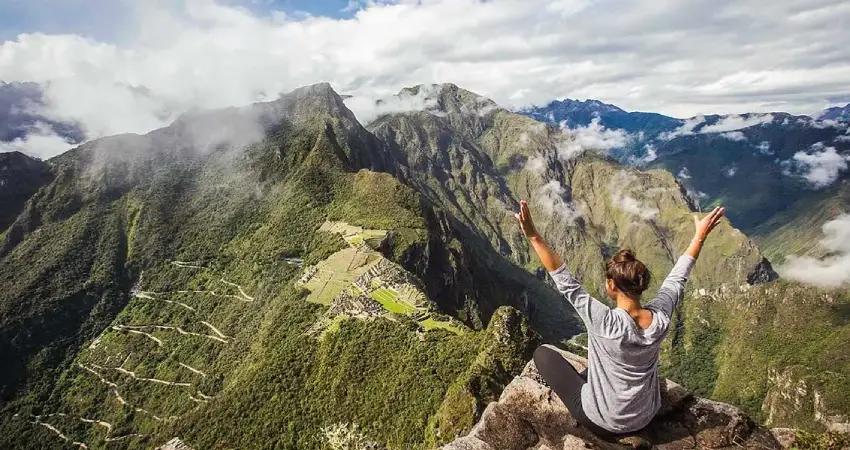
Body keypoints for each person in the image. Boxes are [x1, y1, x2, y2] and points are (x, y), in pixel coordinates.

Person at [514, 200, 725, 437]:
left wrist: (533, 235)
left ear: (611, 285)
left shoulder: (603, 321)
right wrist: (700, 236)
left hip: (603, 422)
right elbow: (677, 280)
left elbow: (565, 280)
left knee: (542, 354)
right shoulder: (660, 318)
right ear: (642, 285)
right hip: (645, 417)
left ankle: (608, 437)